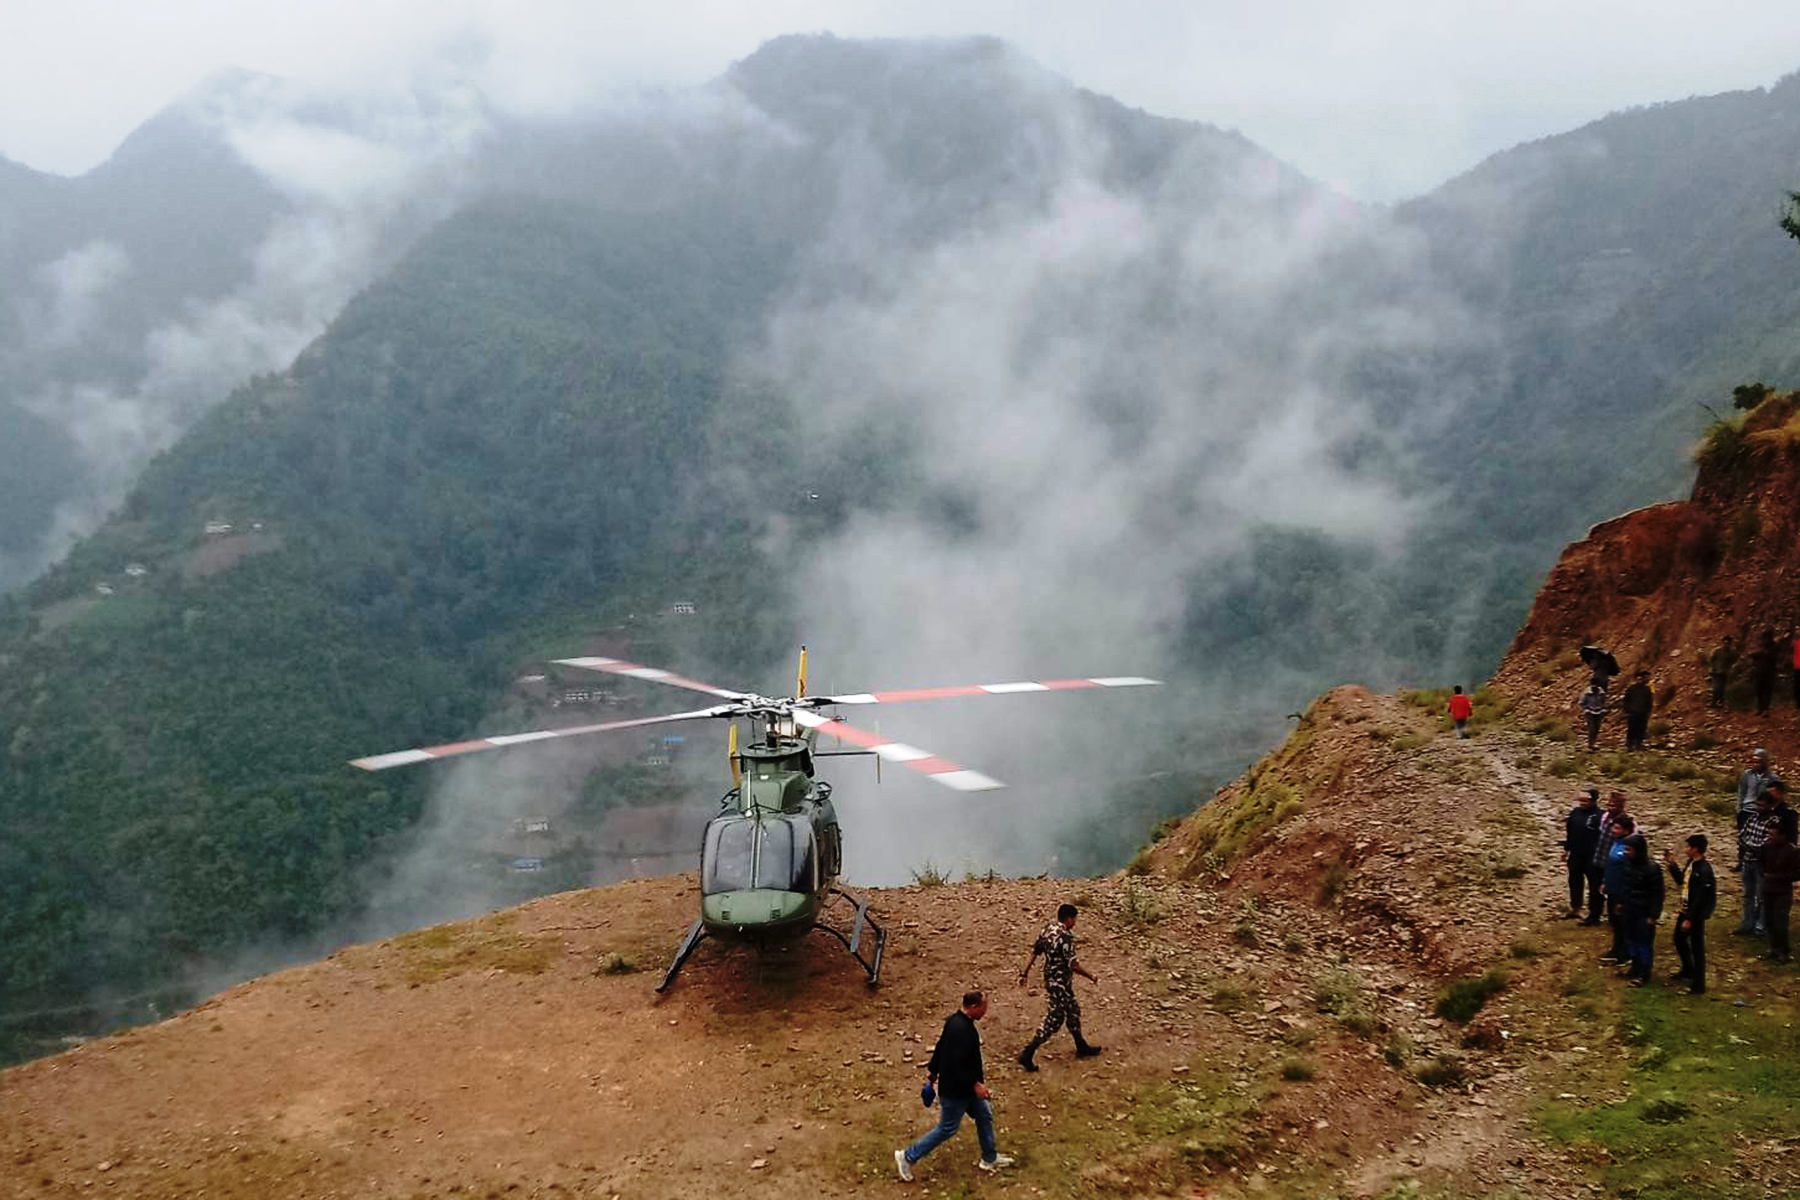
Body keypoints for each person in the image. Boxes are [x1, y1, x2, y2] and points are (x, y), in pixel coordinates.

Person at [896, 990, 1013, 1181]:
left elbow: (941, 1047)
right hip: (956, 1091)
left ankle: (989, 1158)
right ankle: (907, 1157)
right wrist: (976, 1085)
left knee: (984, 1114)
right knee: (947, 1128)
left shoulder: (954, 1022)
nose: (986, 1012)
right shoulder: (962, 1030)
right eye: (984, 1008)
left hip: (965, 1088)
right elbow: (958, 1065)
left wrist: (932, 1072)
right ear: (973, 1007)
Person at [1016, 903, 1101, 1071]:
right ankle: (1028, 1052)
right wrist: (1091, 976)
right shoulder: (1065, 936)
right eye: (1075, 919)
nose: (1075, 922)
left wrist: (1024, 973)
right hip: (1060, 982)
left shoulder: (1048, 929)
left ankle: (1081, 1045)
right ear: (1069, 919)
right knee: (1054, 1020)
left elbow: (1035, 951)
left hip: (1051, 979)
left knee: (1073, 1011)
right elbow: (1073, 965)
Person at [1664, 834, 1717, 994]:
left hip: (1695, 913)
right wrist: (1672, 865)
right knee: (1678, 939)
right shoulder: (1692, 864)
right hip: (1686, 909)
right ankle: (1688, 969)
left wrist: (1690, 919)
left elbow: (1701, 897)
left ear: (1696, 849)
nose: (1686, 850)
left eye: (1688, 847)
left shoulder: (1703, 870)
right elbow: (1682, 881)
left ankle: (1698, 985)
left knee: (1697, 947)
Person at [1620, 834, 1665, 984]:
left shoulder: (1652, 869)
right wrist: (1621, 902)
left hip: (1644, 913)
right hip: (1630, 910)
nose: (1626, 852)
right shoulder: (1627, 863)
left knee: (1644, 943)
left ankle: (1644, 972)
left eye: (1629, 849)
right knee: (1631, 940)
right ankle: (1634, 966)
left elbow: (1658, 894)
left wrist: (1653, 915)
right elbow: (1625, 885)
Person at [1585, 792, 1632, 928]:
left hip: (1614, 863)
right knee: (1595, 890)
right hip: (1599, 858)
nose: (1610, 808)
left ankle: (1614, 920)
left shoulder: (1627, 822)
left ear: (1621, 806)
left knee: (1613, 893)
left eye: (1614, 805)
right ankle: (1594, 916)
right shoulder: (1604, 817)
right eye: (1609, 805)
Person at [1737, 791, 1779, 936]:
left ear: (1770, 806)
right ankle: (1747, 924)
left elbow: (1766, 844)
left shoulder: (1773, 822)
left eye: (1762, 805)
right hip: (1747, 861)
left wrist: (1750, 845)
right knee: (1748, 895)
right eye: (1757, 804)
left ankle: (1760, 927)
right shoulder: (1752, 819)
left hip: (1761, 865)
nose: (1758, 808)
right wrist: (1750, 845)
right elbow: (1741, 836)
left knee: (1761, 897)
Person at [1760, 815, 1800, 964]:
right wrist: (1764, 875)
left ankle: (1784, 952)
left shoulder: (1792, 851)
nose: (1769, 836)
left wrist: (1778, 877)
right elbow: (1760, 863)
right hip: (1767, 889)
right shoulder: (1766, 847)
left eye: (1773, 834)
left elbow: (1797, 873)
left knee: (1780, 923)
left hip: (1782, 892)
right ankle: (1774, 949)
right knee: (1769, 921)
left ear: (1782, 835)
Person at [1599, 814, 1638, 964]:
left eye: (1617, 828)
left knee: (1623, 924)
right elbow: (1611, 866)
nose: (1613, 830)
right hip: (1612, 890)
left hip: (1622, 893)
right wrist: (1604, 881)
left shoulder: (1628, 849)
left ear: (1626, 830)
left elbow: (1629, 873)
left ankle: (1625, 953)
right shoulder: (1616, 843)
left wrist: (1624, 896)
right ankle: (1616, 949)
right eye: (1613, 827)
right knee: (1615, 922)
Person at [1560, 787, 1603, 919]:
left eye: (1586, 800)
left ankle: (1594, 913)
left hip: (1592, 855)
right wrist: (1566, 849)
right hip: (1576, 854)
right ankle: (1576, 908)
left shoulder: (1600, 815)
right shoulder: (1575, 812)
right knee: (1574, 880)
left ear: (1594, 800)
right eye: (1581, 800)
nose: (1583, 803)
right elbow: (1570, 832)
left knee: (1594, 884)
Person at [1620, 671, 1654, 752]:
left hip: (1643, 712)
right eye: (1638, 679)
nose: (1639, 681)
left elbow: (1649, 701)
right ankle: (1629, 744)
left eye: (1641, 679)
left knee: (1641, 729)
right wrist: (1627, 710)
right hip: (1633, 713)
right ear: (1635, 679)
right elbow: (1626, 700)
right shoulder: (1631, 689)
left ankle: (1639, 744)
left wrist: (1648, 710)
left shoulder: (1646, 689)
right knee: (1631, 729)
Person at [1751, 628, 1779, 716]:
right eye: (1764, 637)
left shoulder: (1774, 646)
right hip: (1759, 671)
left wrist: (1759, 654)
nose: (1765, 639)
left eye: (1766, 637)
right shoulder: (1761, 645)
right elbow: (1754, 655)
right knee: (1759, 690)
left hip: (1769, 672)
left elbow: (1773, 658)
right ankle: (1760, 708)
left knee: (1767, 691)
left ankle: (1766, 709)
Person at [1709, 635, 1737, 708]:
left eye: (1728, 643)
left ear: (1730, 644)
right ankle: (1714, 702)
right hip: (1716, 672)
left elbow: (1734, 661)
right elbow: (1712, 660)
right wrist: (1712, 668)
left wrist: (1731, 669)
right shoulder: (1717, 651)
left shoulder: (1732, 653)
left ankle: (1720, 702)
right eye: (1725, 643)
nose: (1726, 645)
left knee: (1722, 688)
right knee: (1716, 687)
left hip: (1725, 673)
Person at [1578, 683, 1608, 751]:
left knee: (1597, 727)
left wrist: (1603, 708)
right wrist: (1585, 709)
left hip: (1599, 711)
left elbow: (1603, 701)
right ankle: (1590, 743)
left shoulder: (1601, 692)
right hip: (1589, 712)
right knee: (1592, 728)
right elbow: (1581, 702)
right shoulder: (1586, 693)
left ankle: (1594, 741)